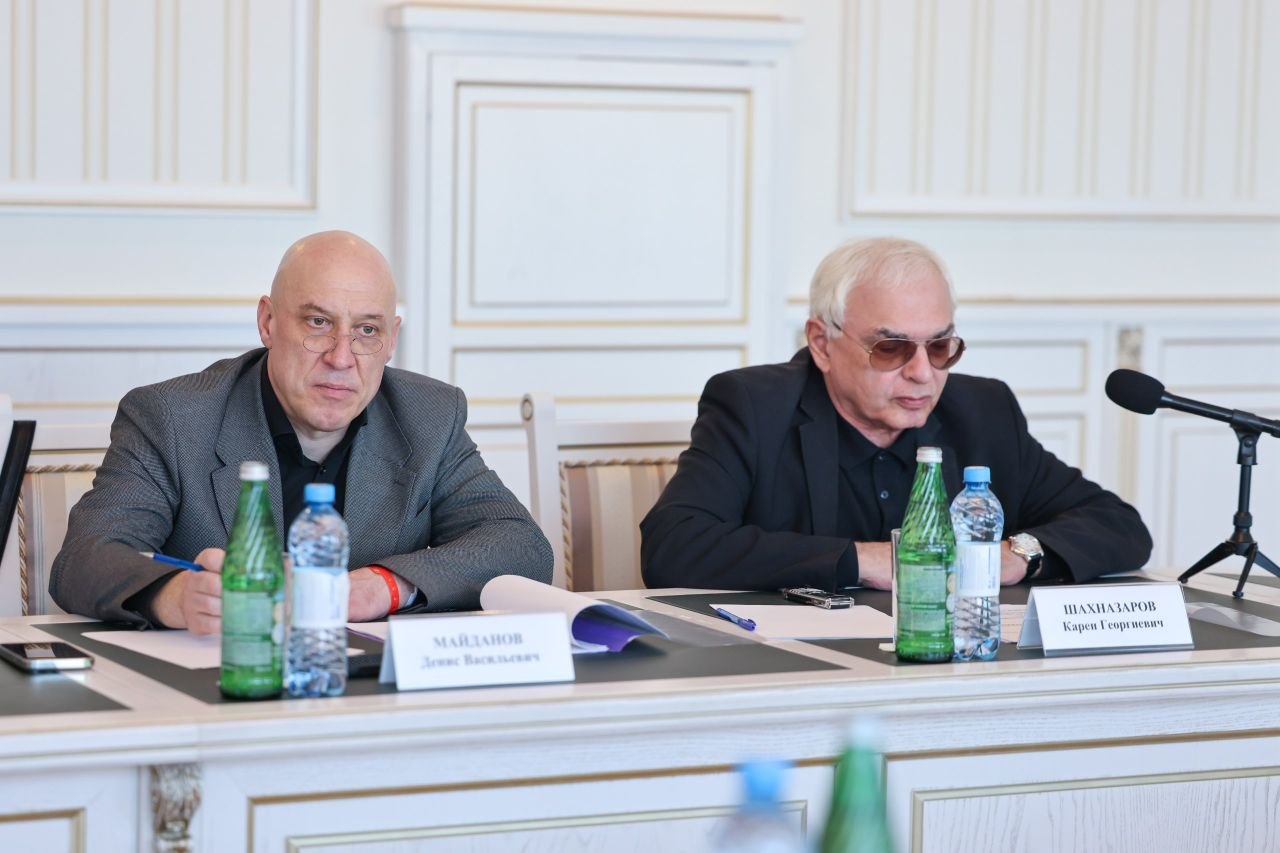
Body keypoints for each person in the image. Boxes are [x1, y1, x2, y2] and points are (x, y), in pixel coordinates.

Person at [51, 231, 552, 631]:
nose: (341, 357)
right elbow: (84, 558)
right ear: (268, 322)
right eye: (318, 322)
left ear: (391, 340)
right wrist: (175, 596)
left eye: (367, 330)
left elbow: (521, 544)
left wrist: (381, 587)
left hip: (373, 696)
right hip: (219, 693)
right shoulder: (172, 417)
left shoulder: (429, 416)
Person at [641, 237, 1151, 591]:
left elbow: (1117, 525)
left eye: (941, 346)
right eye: (890, 348)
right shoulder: (754, 407)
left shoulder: (983, 411)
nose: (923, 373)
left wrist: (1017, 555)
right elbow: (674, 545)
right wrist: (866, 560)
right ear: (821, 343)